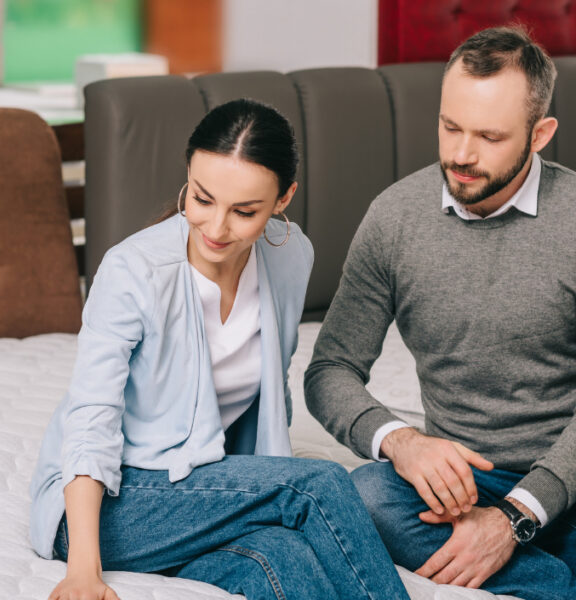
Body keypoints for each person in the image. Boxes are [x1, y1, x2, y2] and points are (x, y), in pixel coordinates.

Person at [304, 27, 576, 600]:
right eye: (450, 127)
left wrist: (513, 520)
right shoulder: (393, 219)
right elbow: (329, 369)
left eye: (489, 136)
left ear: (540, 135)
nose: (460, 154)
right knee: (357, 500)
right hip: (459, 481)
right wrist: (405, 444)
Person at [29, 98, 410, 600]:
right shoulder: (133, 270)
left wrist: (254, 485)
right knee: (319, 484)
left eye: (244, 211)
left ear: (283, 198)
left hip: (201, 494)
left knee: (281, 558)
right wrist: (83, 571)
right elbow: (89, 421)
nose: (215, 227)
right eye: (202, 198)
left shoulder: (292, 255)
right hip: (104, 504)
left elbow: (271, 390)